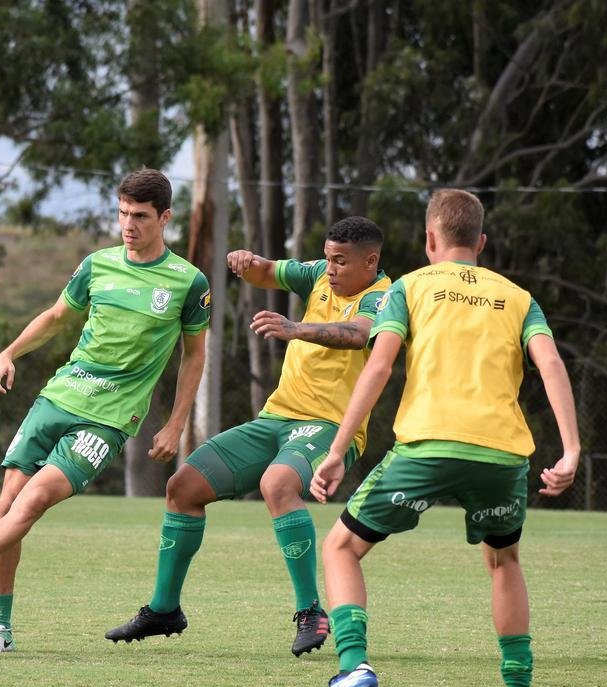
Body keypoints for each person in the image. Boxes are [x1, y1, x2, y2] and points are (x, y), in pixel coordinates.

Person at [302, 189, 579, 687]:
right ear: (480, 243)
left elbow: (378, 369)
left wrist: (337, 449)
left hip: (428, 447)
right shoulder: (518, 297)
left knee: (341, 546)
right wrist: (571, 449)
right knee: (505, 563)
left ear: (430, 240)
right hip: (501, 456)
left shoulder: (408, 287)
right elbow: (549, 363)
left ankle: (353, 664)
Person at [0, 169, 211, 654]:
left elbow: (195, 355)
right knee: (7, 503)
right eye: (122, 214)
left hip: (108, 418)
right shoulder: (96, 265)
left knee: (33, 501)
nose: (128, 225)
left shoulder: (187, 282)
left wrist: (177, 422)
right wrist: (8, 353)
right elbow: (56, 318)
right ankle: (0, 629)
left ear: (165, 218)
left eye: (139, 216)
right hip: (59, 396)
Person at [105, 216, 392, 656]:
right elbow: (267, 271)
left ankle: (311, 610)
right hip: (276, 419)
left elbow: (360, 335)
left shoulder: (384, 296)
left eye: (340, 262)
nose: (330, 269)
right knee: (182, 488)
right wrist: (245, 261)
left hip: (329, 429)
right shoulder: (317, 274)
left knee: (276, 484)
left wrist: (297, 328)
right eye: (328, 259)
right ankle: (164, 610)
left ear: (370, 261)